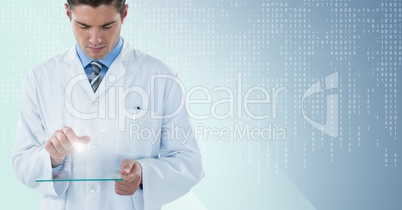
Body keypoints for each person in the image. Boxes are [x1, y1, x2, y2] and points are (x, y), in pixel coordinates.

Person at [12, 0, 204, 210]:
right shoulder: (40, 78)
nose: (95, 39)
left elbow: (189, 162)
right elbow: (22, 161)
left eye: (107, 26)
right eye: (83, 26)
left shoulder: (161, 76)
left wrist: (144, 174)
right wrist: (53, 159)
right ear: (68, 13)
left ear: (125, 13)